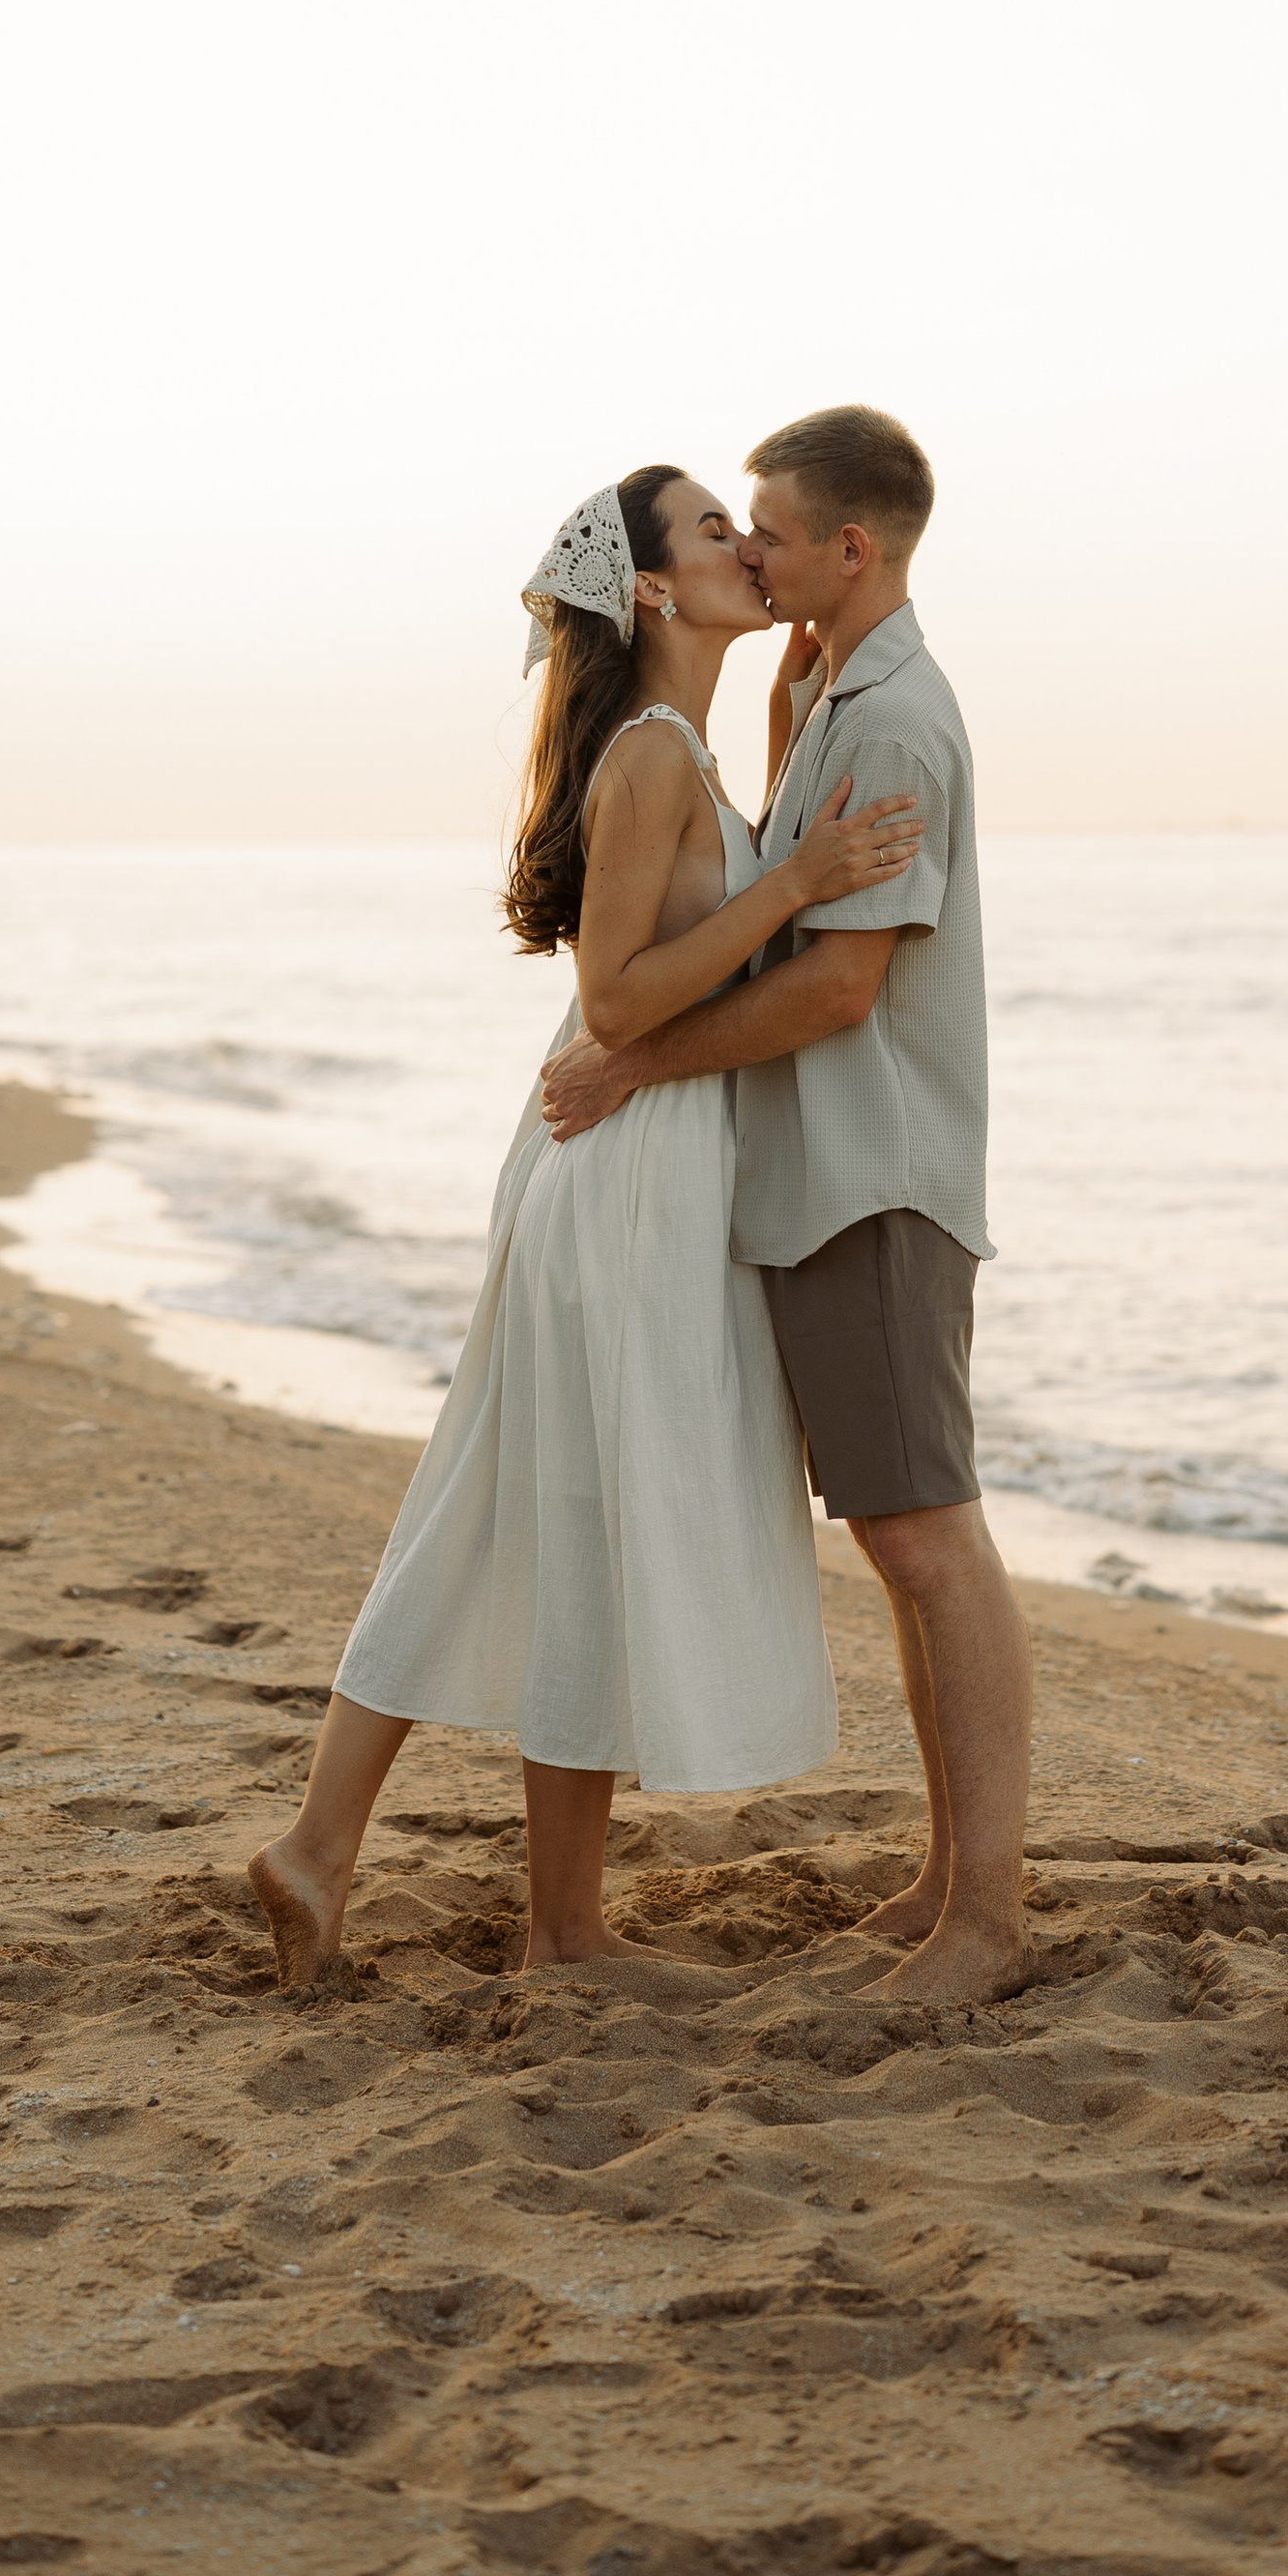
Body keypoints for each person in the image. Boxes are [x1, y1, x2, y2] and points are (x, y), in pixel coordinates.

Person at [247, 466, 922, 1989]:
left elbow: (670, 943)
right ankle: (543, 1927)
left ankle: (368, 1865)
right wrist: (802, 879)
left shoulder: (680, 743)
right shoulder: (645, 758)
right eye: (710, 532)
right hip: (625, 1175)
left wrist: (803, 696)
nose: (746, 546)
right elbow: (618, 999)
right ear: (654, 594)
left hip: (633, 1164)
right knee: (560, 1517)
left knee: (527, 1514)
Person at [542, 405, 1033, 2006]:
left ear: (853, 548)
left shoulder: (893, 720)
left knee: (927, 1534)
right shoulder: (812, 684)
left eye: (768, 530)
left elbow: (832, 994)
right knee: (896, 1537)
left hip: (870, 1169)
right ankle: (944, 1884)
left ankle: (989, 1923)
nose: (746, 552)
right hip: (808, 1178)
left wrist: (634, 1066)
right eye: (726, 531)